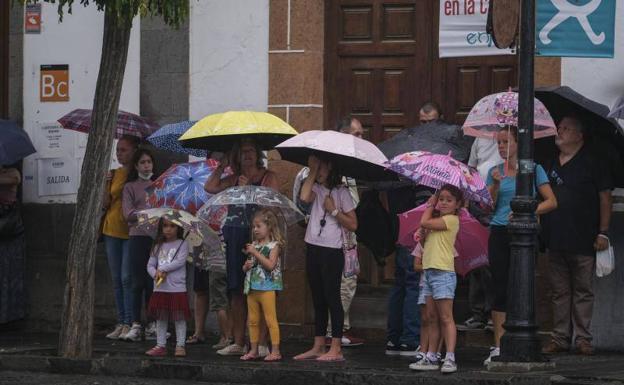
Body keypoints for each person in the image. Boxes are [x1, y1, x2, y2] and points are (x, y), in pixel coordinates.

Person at [483, 127, 557, 365]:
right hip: (500, 230)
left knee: (522, 285)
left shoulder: (533, 170)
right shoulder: (495, 172)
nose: (501, 147)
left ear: (518, 143)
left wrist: (528, 211)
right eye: (499, 143)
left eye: (506, 142)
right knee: (500, 286)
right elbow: (488, 208)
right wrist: (493, 186)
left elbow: (551, 201)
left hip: (524, 232)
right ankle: (498, 344)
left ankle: (524, 338)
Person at [541, 115, 613, 356]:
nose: (559, 132)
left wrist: (603, 232)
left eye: (565, 128)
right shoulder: (551, 163)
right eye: (559, 128)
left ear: (579, 135)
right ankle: (560, 337)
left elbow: (605, 198)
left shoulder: (593, 162)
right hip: (555, 237)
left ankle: (583, 338)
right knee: (559, 291)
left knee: (583, 290)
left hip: (584, 237)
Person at [205, 137, 279, 356]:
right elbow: (210, 187)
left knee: (261, 288)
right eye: (242, 152)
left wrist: (249, 192)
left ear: (258, 155)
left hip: (260, 238)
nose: (247, 155)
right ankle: (238, 341)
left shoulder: (268, 176)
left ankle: (262, 343)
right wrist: (222, 164)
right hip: (235, 235)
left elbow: (271, 205)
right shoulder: (234, 178)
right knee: (236, 290)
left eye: (251, 151)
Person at [294, 155, 357, 362]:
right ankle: (318, 345)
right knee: (318, 298)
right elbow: (303, 198)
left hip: (332, 250)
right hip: (313, 246)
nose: (317, 171)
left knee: (332, 297)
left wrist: (334, 210)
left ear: (330, 167)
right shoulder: (316, 188)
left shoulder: (342, 192)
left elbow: (353, 224)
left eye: (320, 167)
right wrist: (312, 171)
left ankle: (336, 348)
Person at [409, 185, 462, 373]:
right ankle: (431, 356)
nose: (444, 202)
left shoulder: (452, 220)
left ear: (457, 205)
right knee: (431, 317)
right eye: (441, 199)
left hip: (443, 272)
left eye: (449, 200)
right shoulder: (436, 222)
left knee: (446, 317)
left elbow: (424, 221)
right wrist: (423, 237)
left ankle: (449, 356)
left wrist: (429, 205)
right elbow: (426, 243)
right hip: (430, 271)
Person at [460, 137, 502, 330]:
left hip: (499, 207)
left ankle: (496, 312)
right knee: (477, 262)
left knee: (495, 264)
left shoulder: (516, 134)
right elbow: (471, 170)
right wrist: (467, 203)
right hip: (478, 203)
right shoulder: (481, 137)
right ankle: (478, 313)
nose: (502, 144)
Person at [103, 135, 140, 340]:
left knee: (128, 278)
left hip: (131, 232)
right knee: (116, 278)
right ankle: (121, 321)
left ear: (134, 151)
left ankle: (129, 321)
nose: (119, 153)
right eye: (118, 150)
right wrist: (105, 184)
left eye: (124, 150)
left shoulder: (137, 175)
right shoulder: (114, 174)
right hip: (111, 229)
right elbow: (104, 203)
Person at [240, 209, 284, 361]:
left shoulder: (274, 246)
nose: (255, 229)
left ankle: (276, 351)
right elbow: (250, 266)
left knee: (270, 319)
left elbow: (271, 265)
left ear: (269, 226)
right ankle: (254, 350)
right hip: (252, 288)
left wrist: (256, 253)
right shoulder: (254, 245)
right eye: (253, 227)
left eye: (259, 226)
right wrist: (246, 266)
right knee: (252, 320)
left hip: (267, 288)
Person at [121, 149, 156, 341]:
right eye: (142, 162)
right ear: (136, 166)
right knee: (137, 282)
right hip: (137, 237)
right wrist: (148, 213)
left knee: (153, 282)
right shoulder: (130, 187)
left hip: (155, 238)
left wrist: (143, 214)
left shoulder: (158, 185)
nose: (146, 165)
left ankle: (152, 323)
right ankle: (135, 323)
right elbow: (128, 214)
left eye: (149, 161)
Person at [145, 218, 190, 357]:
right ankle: (160, 345)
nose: (168, 229)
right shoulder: (157, 245)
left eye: (172, 226)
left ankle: (180, 345)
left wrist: (163, 268)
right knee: (161, 318)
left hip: (176, 288)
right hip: (160, 288)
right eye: (165, 226)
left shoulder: (182, 244)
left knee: (179, 318)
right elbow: (150, 265)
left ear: (179, 228)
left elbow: (180, 261)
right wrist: (155, 274)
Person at [0, 165, 25, 324]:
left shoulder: (12, 172)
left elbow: (14, 179)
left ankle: (11, 316)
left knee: (11, 272)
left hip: (9, 227)